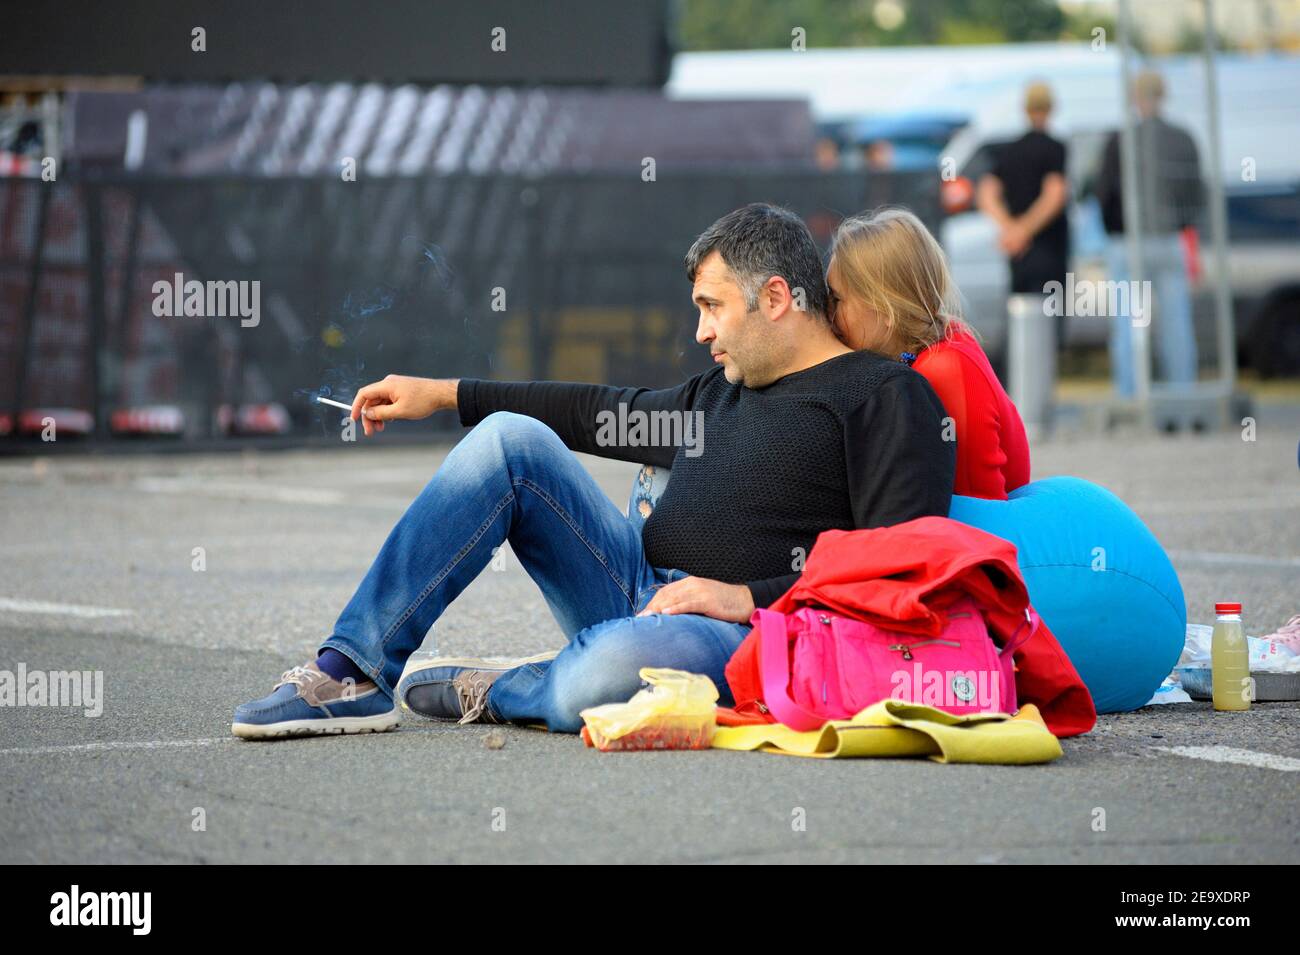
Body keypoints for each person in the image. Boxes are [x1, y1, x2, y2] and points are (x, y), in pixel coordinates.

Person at [232, 203, 956, 739]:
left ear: (774, 297)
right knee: (509, 440)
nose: (701, 331)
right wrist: (448, 394)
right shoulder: (718, 389)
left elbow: (895, 570)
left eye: (713, 307)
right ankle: (353, 668)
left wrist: (744, 595)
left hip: (747, 631)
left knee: (602, 675)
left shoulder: (884, 397)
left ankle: (512, 685)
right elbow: (596, 409)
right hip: (633, 591)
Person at [827, 207, 1030, 500]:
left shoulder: (943, 367)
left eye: (837, 299)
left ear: (885, 309)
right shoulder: (929, 348)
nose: (829, 315)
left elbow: (980, 506)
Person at [1093, 69, 1204, 396]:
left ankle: (1130, 392)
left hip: (1128, 242)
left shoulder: (1120, 139)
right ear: (1163, 95)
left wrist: (1114, 229)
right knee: (1176, 322)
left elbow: (1104, 191)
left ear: (1135, 97)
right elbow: (1195, 190)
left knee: (1128, 324)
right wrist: (1181, 225)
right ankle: (1182, 391)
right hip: (1170, 239)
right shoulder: (1183, 138)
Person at [976, 81, 1071, 347]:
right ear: (1052, 108)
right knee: (1047, 322)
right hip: (1048, 248)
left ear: (1025, 109)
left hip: (1019, 253)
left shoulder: (1011, 149)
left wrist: (1010, 228)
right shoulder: (1055, 148)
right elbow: (1055, 194)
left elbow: (986, 192)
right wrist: (1024, 230)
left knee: (1019, 317)